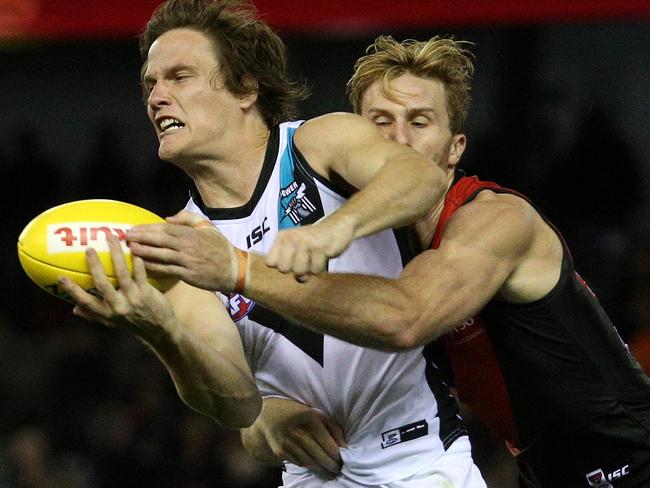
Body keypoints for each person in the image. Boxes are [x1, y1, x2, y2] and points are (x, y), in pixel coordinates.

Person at [128, 34, 650, 488]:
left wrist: (244, 267)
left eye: (419, 121)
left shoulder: (494, 220)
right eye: (380, 122)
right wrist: (265, 419)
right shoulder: (386, 245)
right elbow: (283, 384)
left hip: (630, 460)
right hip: (545, 469)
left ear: (454, 147)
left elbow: (404, 318)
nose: (398, 139)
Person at [67, 1, 488, 487]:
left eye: (179, 77)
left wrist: (334, 228)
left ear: (246, 88)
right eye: (151, 84)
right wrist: (162, 331)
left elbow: (418, 177)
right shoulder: (181, 239)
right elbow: (236, 401)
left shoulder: (317, 143)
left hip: (422, 462)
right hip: (314, 476)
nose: (156, 97)